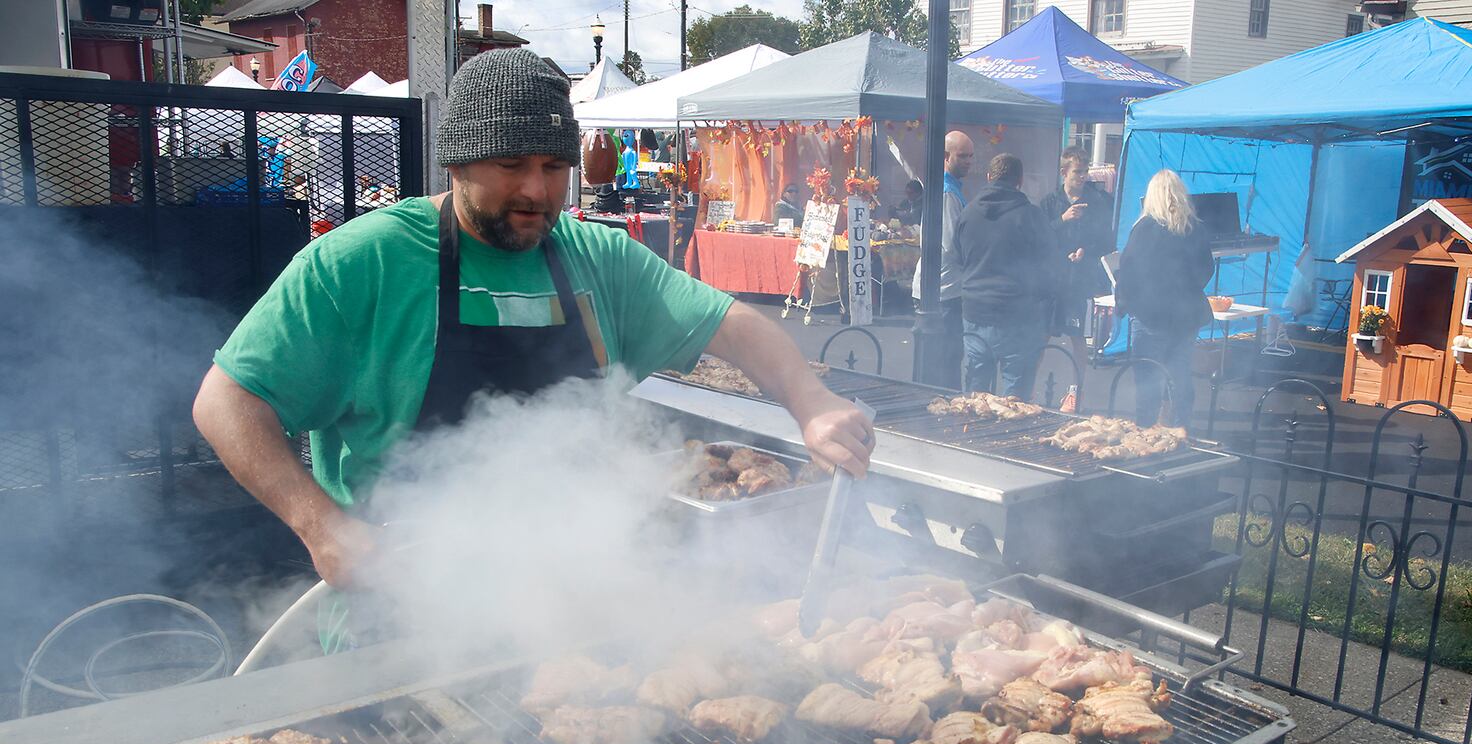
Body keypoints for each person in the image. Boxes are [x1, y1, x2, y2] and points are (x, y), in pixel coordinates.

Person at [191, 48, 874, 610]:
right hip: (404, 611)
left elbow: (731, 322)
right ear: (455, 162)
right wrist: (323, 526)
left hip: (572, 603)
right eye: (511, 165)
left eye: (553, 168)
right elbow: (226, 401)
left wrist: (809, 404)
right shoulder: (364, 261)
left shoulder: (593, 256)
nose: (537, 192)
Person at [1115, 169, 1214, 429]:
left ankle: (1146, 432)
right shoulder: (1195, 229)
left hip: (1150, 317)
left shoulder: (1144, 229)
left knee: (1148, 377)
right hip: (1184, 317)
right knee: (1179, 374)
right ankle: (1181, 429)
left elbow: (1127, 271)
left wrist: (1126, 304)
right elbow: (1206, 268)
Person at [952, 154, 1058, 398]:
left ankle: (972, 433)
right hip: (1018, 316)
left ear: (989, 178)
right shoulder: (1031, 216)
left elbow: (959, 259)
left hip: (976, 312)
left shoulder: (968, 214)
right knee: (1015, 398)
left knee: (976, 395)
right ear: (1019, 181)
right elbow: (1050, 265)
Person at [1041, 146, 1115, 370]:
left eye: (1085, 171)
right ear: (1064, 172)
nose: (1083, 177)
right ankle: (1028, 391)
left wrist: (1086, 250)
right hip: (1053, 281)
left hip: (1080, 281)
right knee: (1042, 336)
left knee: (1078, 337)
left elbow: (1106, 241)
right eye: (1077, 172)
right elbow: (1039, 237)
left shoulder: (1098, 202)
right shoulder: (1050, 202)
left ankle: (1077, 390)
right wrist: (1062, 219)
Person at [912, 131, 974, 389]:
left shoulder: (950, 188)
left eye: (971, 156)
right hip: (943, 288)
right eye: (962, 156)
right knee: (945, 360)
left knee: (940, 359)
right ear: (946, 157)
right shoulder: (948, 192)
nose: (968, 161)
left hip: (940, 285)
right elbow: (949, 245)